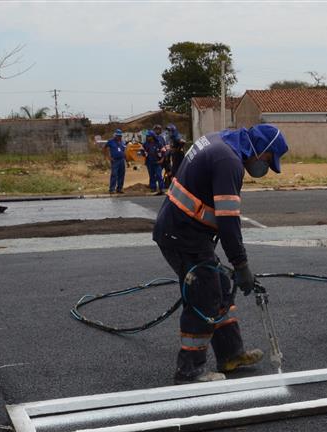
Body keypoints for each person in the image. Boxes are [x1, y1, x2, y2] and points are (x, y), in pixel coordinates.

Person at [153, 124, 289, 384]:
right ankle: (190, 370)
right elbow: (228, 221)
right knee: (203, 296)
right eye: (269, 162)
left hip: (186, 230)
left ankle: (230, 354)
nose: (266, 169)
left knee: (221, 287)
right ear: (262, 150)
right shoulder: (229, 162)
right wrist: (241, 265)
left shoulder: (221, 141)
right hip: (181, 234)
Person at [143, 130, 165, 194]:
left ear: (152, 136)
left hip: (157, 162)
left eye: (148, 136)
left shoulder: (158, 143)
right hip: (149, 163)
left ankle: (161, 188)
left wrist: (162, 159)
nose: (147, 137)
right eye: (147, 136)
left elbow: (164, 151)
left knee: (159, 175)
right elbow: (142, 150)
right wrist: (143, 153)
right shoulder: (145, 144)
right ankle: (153, 188)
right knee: (151, 176)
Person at [105, 128, 127, 193]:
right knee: (114, 174)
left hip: (122, 160)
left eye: (120, 136)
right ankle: (112, 189)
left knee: (121, 174)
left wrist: (126, 160)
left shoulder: (122, 142)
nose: (119, 137)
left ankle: (119, 188)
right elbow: (104, 148)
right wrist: (108, 157)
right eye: (118, 136)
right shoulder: (110, 141)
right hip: (115, 161)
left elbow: (124, 151)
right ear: (115, 135)